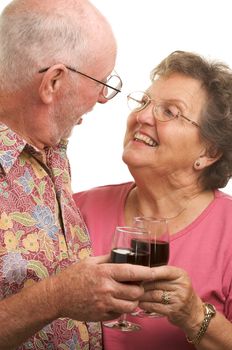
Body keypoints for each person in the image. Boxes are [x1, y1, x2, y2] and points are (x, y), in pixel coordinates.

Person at [0, 1, 156, 349]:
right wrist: (56, 297)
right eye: (100, 82)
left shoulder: (51, 148)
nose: (103, 98)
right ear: (54, 81)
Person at [74, 50, 232, 349]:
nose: (142, 116)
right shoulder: (76, 209)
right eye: (145, 102)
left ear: (208, 153)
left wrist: (195, 316)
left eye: (170, 112)